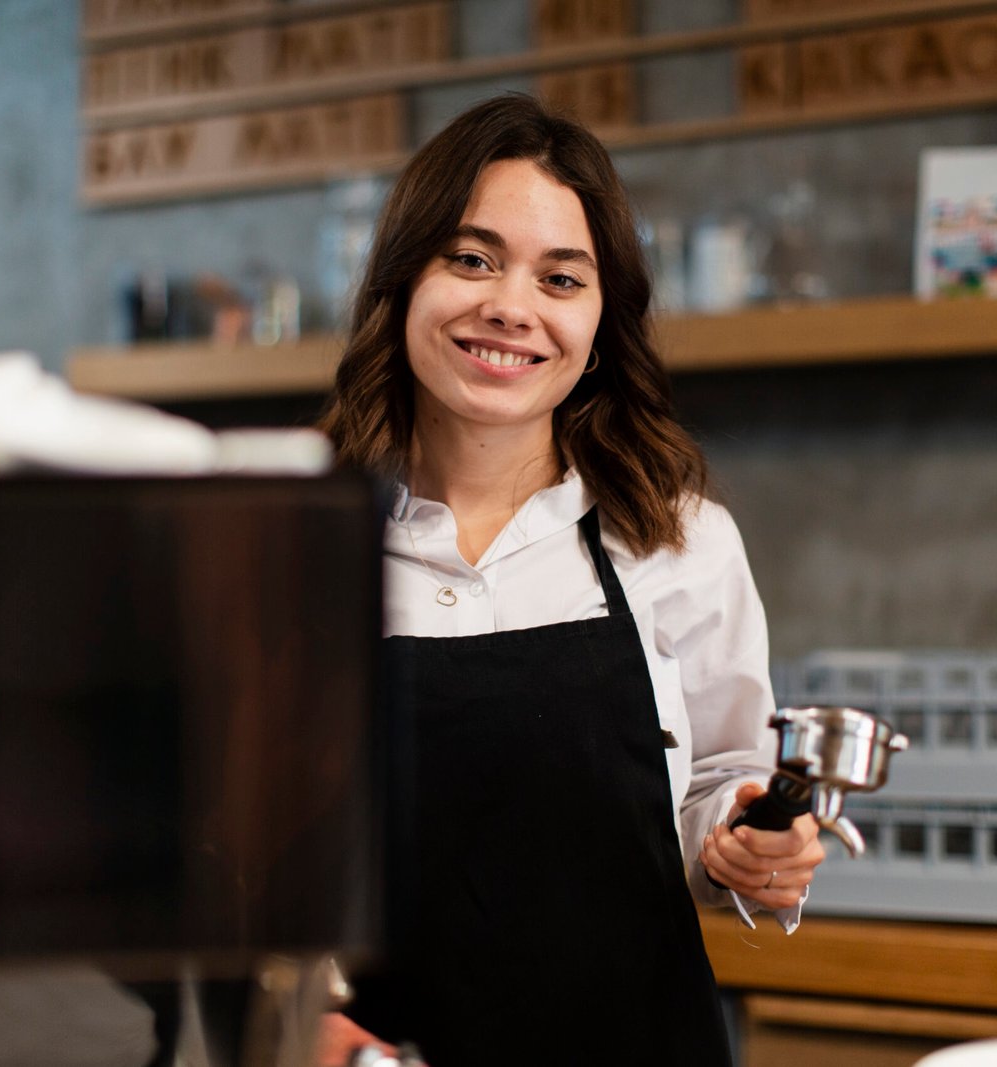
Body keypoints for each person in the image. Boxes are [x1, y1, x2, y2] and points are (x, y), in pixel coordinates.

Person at [316, 93, 825, 1066]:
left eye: (560, 277)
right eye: (471, 258)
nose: (511, 305)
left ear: (600, 319)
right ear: (401, 275)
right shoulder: (301, 549)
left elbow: (725, 778)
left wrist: (750, 845)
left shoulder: (681, 543)